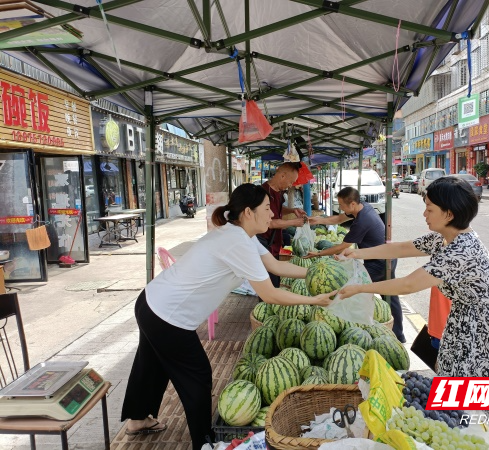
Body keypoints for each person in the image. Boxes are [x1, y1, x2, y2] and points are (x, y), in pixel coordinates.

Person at [120, 183, 335, 448]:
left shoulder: (242, 235)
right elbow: (270, 294)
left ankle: (138, 420)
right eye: (267, 209)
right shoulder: (236, 241)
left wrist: (320, 272)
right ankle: (204, 442)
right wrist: (314, 299)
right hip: (166, 315)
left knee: (150, 364)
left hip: (153, 303)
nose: (272, 215)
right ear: (248, 212)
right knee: (198, 375)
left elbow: (276, 266)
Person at [337, 177, 489, 438]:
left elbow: (410, 284)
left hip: (487, 340)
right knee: (454, 409)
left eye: (430, 208)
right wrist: (357, 253)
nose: (424, 213)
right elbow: (403, 247)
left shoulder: (462, 250)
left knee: (478, 418)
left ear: (449, 214)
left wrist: (359, 289)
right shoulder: (444, 238)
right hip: (463, 329)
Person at [306, 187, 406, 343]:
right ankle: (398, 334)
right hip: (385, 257)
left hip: (380, 262)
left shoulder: (362, 221)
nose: (340, 208)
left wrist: (318, 254)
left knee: (353, 291)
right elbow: (339, 219)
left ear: (352, 204)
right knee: (390, 296)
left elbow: (342, 246)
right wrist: (318, 220)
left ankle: (358, 329)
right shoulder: (362, 207)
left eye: (341, 204)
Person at [259, 162, 307, 287]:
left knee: (275, 279)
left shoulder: (278, 193)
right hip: (264, 244)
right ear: (282, 176)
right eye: (291, 182)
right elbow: (269, 223)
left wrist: (292, 211)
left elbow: (278, 210)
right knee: (269, 283)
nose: (290, 185)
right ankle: (267, 304)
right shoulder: (263, 193)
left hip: (274, 245)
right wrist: (293, 222)